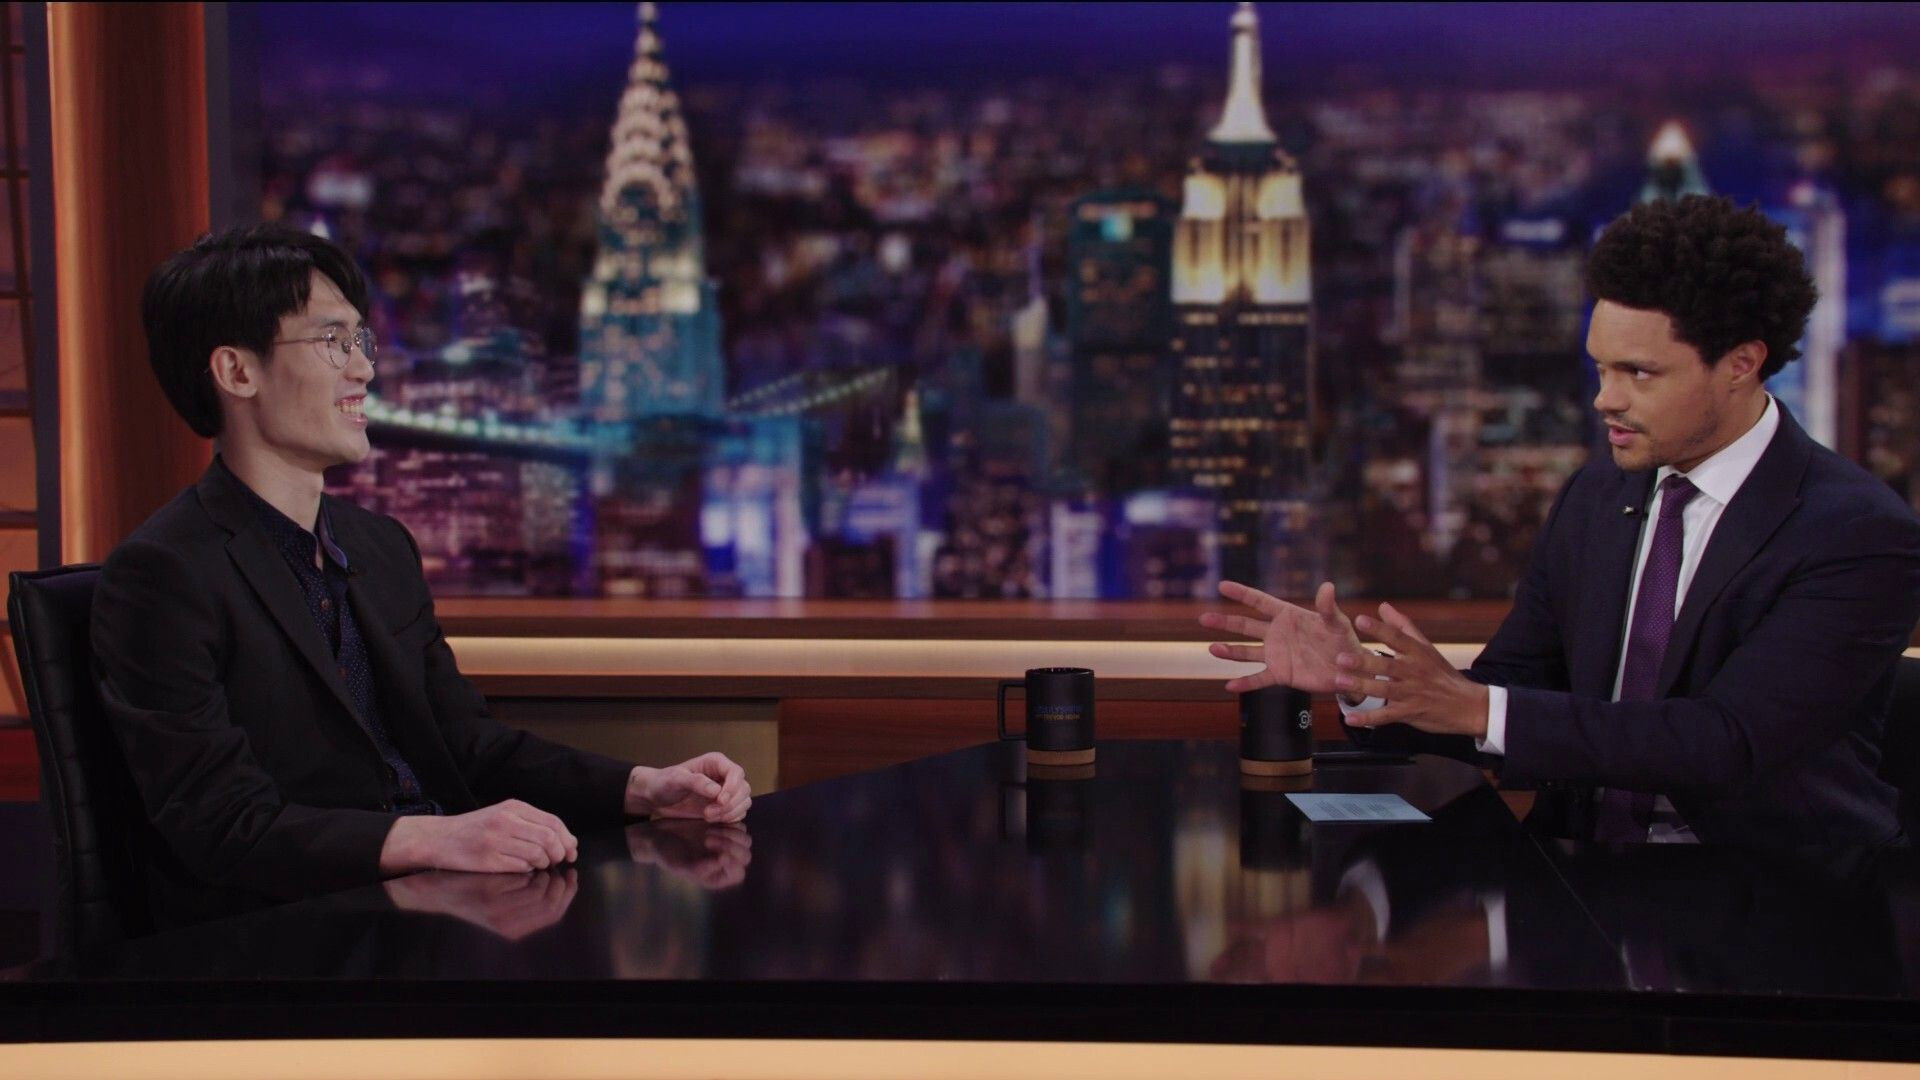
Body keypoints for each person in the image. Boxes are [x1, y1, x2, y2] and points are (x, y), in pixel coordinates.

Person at [1204, 195, 1920, 846]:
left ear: (1741, 364)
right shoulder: (1599, 494)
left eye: (1639, 373)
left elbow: (1725, 742)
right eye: (1600, 369)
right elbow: (1511, 693)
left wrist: (1480, 709)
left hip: (1775, 903)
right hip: (1580, 874)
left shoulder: (1854, 531)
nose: (1606, 399)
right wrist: (1367, 680)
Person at [92, 223, 751, 927]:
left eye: (361, 340)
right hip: (294, 937)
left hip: (436, 911)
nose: (364, 370)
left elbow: (470, 746)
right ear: (236, 372)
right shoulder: (164, 575)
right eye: (332, 341)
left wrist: (644, 788)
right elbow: (223, 824)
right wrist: (437, 839)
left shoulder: (379, 548)